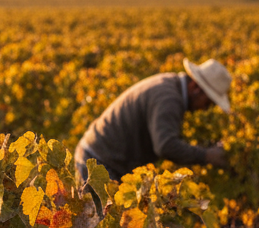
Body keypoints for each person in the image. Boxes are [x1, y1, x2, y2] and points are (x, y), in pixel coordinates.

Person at [74, 57, 231, 182]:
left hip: (102, 159)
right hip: (98, 162)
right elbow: (165, 145)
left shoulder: (170, 84)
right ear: (196, 88)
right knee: (106, 221)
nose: (206, 109)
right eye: (209, 102)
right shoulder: (169, 99)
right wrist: (208, 156)